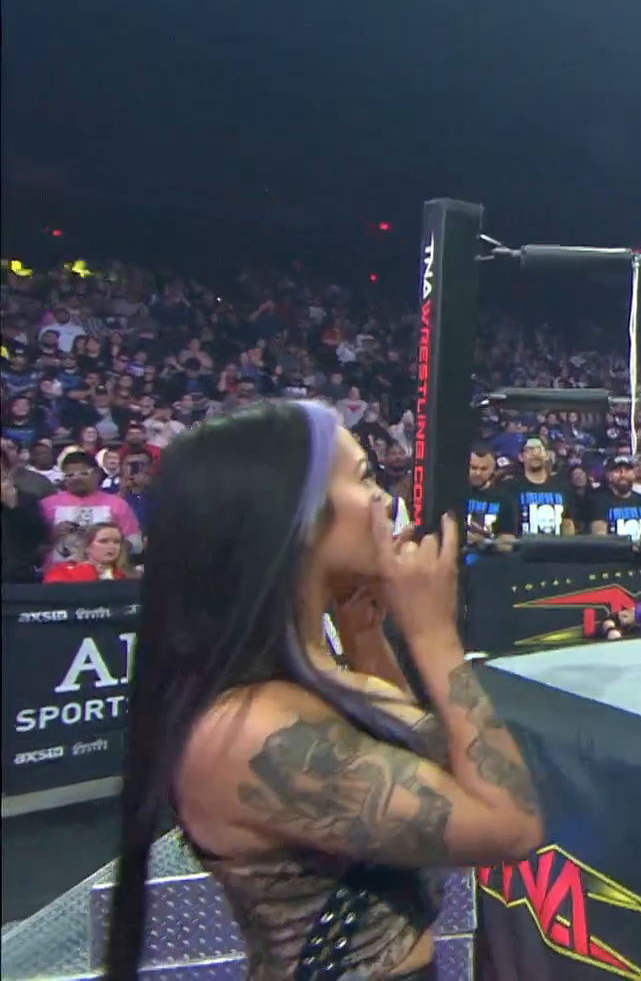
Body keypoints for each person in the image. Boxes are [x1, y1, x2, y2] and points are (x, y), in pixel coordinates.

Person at [105, 401, 542, 980]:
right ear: (299, 519)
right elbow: (510, 826)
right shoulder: (255, 729)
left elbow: (425, 766)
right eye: (364, 478)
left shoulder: (303, 678)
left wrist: (366, 639)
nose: (385, 501)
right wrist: (435, 638)